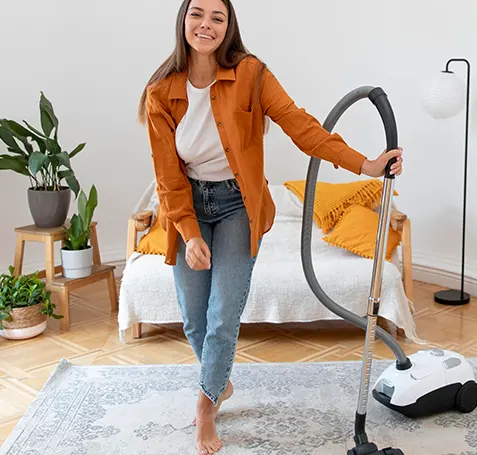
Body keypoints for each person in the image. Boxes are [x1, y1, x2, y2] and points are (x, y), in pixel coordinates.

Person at [137, 0, 403, 453]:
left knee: (223, 314)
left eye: (217, 17)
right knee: (193, 319)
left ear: (228, 26)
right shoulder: (161, 91)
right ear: (183, 20)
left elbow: (302, 127)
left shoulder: (251, 74)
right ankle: (219, 380)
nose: (206, 24)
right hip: (188, 207)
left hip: (239, 204)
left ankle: (205, 407)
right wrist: (189, 232)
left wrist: (366, 164)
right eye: (197, 14)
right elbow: (167, 175)